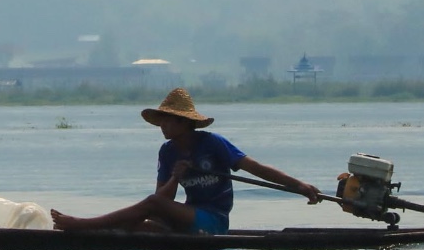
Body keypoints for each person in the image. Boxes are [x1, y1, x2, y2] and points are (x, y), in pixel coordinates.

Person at [50, 87, 321, 234]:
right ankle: (99, 230)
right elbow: (161, 199)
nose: (163, 125)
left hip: (213, 221)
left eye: (168, 120)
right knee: (134, 224)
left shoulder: (212, 143)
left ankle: (83, 225)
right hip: (185, 217)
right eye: (162, 120)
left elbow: (257, 168)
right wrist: (175, 177)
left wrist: (300, 186)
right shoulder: (167, 152)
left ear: (184, 123)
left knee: (147, 210)